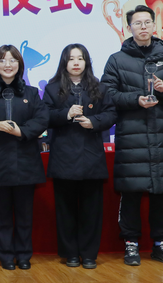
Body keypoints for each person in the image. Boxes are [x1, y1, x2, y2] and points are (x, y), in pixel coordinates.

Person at [101, 5, 163, 266]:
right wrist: (135, 99)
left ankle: (161, 244)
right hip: (132, 137)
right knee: (131, 192)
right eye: (137, 23)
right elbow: (107, 94)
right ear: (129, 28)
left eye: (147, 22)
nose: (143, 27)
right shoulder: (117, 59)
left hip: (162, 136)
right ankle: (131, 244)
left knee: (162, 193)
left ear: (154, 25)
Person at [44, 44, 117, 269]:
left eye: (80, 58)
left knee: (91, 210)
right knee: (65, 210)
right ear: (64, 62)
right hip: (63, 156)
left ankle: (89, 254)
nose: (76, 63)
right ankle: (71, 254)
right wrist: (66, 114)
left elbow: (111, 113)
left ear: (87, 62)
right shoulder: (52, 88)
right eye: (71, 58)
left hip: (91, 156)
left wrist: (93, 122)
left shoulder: (99, 87)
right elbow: (45, 116)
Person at [0, 45, 48, 270]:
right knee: (1, 216)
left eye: (12, 60)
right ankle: (6, 256)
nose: (7, 65)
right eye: (2, 60)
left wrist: (22, 131)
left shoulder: (31, 93)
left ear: (20, 65)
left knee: (25, 215)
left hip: (26, 162)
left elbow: (42, 118)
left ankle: (24, 255)